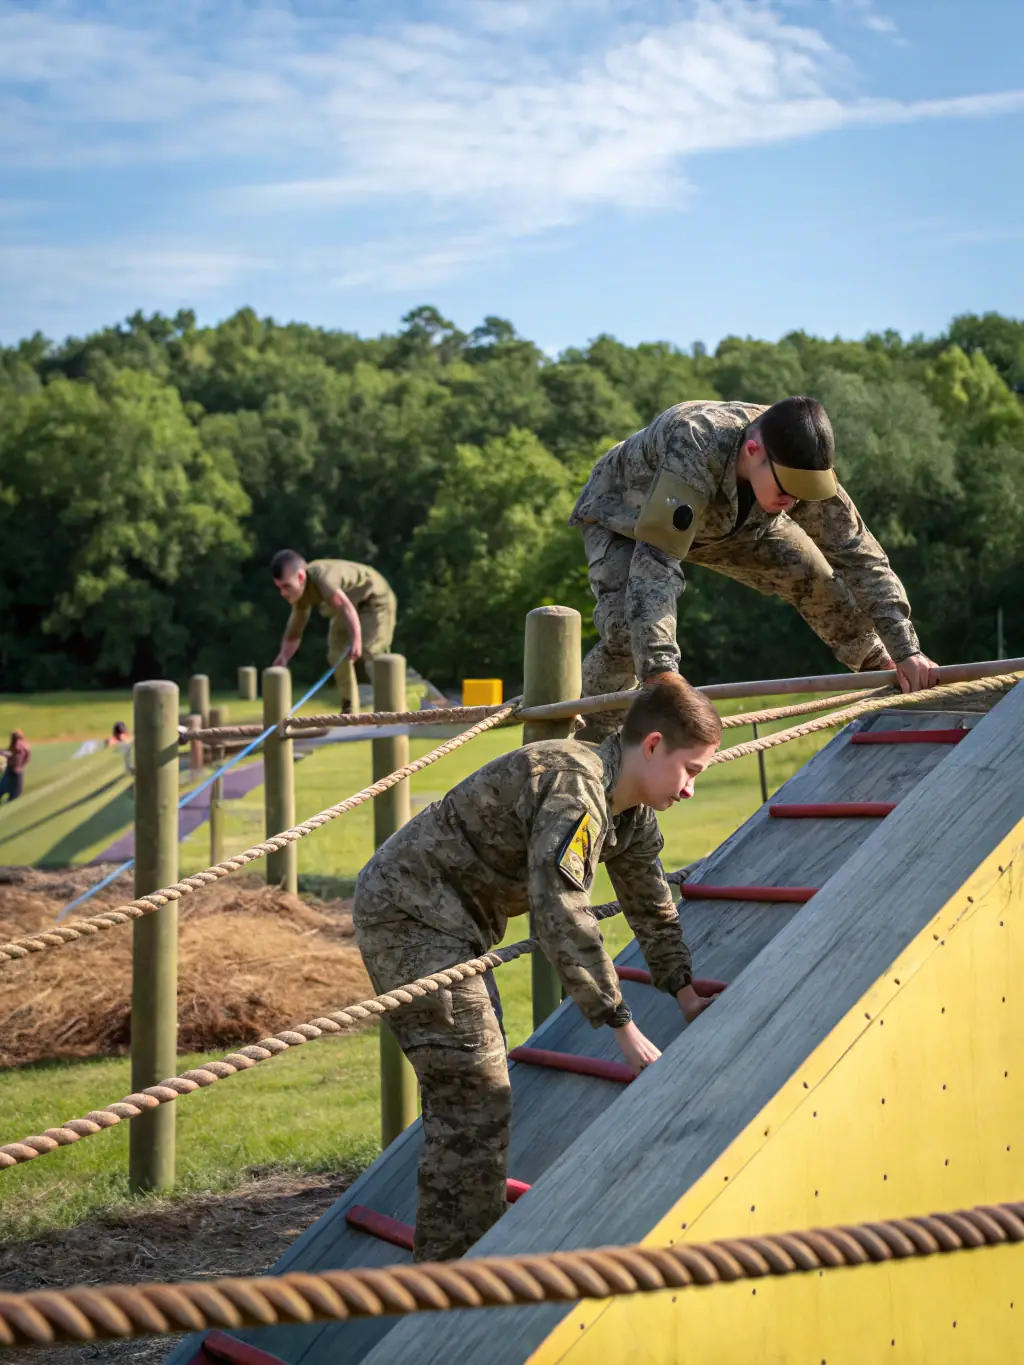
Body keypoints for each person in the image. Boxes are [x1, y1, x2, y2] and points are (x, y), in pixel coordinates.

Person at [352, 675, 722, 1262]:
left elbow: (651, 906)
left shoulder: (627, 815)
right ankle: (451, 1279)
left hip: (455, 926)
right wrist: (622, 1027)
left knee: (476, 1087)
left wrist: (685, 995)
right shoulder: (576, 787)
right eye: (691, 771)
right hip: (410, 913)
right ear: (652, 746)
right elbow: (560, 910)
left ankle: (465, 1253)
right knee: (475, 1089)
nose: (691, 791)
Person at [569, 396, 938, 740]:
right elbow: (658, 564)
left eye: (802, 490)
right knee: (624, 632)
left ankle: (878, 666)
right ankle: (590, 738)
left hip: (739, 524)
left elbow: (859, 554)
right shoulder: (696, 442)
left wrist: (906, 650)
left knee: (812, 573)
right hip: (626, 521)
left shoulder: (796, 453)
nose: (793, 499)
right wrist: (661, 672)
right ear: (752, 449)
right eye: (787, 486)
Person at [270, 551, 397, 711]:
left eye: (286, 586)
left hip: (374, 599)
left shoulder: (321, 577)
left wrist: (356, 639)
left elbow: (345, 606)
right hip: (350, 606)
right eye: (279, 587)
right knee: (336, 652)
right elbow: (295, 631)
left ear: (301, 577)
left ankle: (392, 707)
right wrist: (283, 657)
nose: (283, 593)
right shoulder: (300, 596)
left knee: (370, 649)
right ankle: (349, 706)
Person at [0, 730, 31, 804]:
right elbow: (27, 759)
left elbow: (12, 754)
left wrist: (2, 752)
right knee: (14, 794)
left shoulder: (18, 745)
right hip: (17, 772)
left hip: (13, 772)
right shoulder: (25, 746)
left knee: (8, 792)